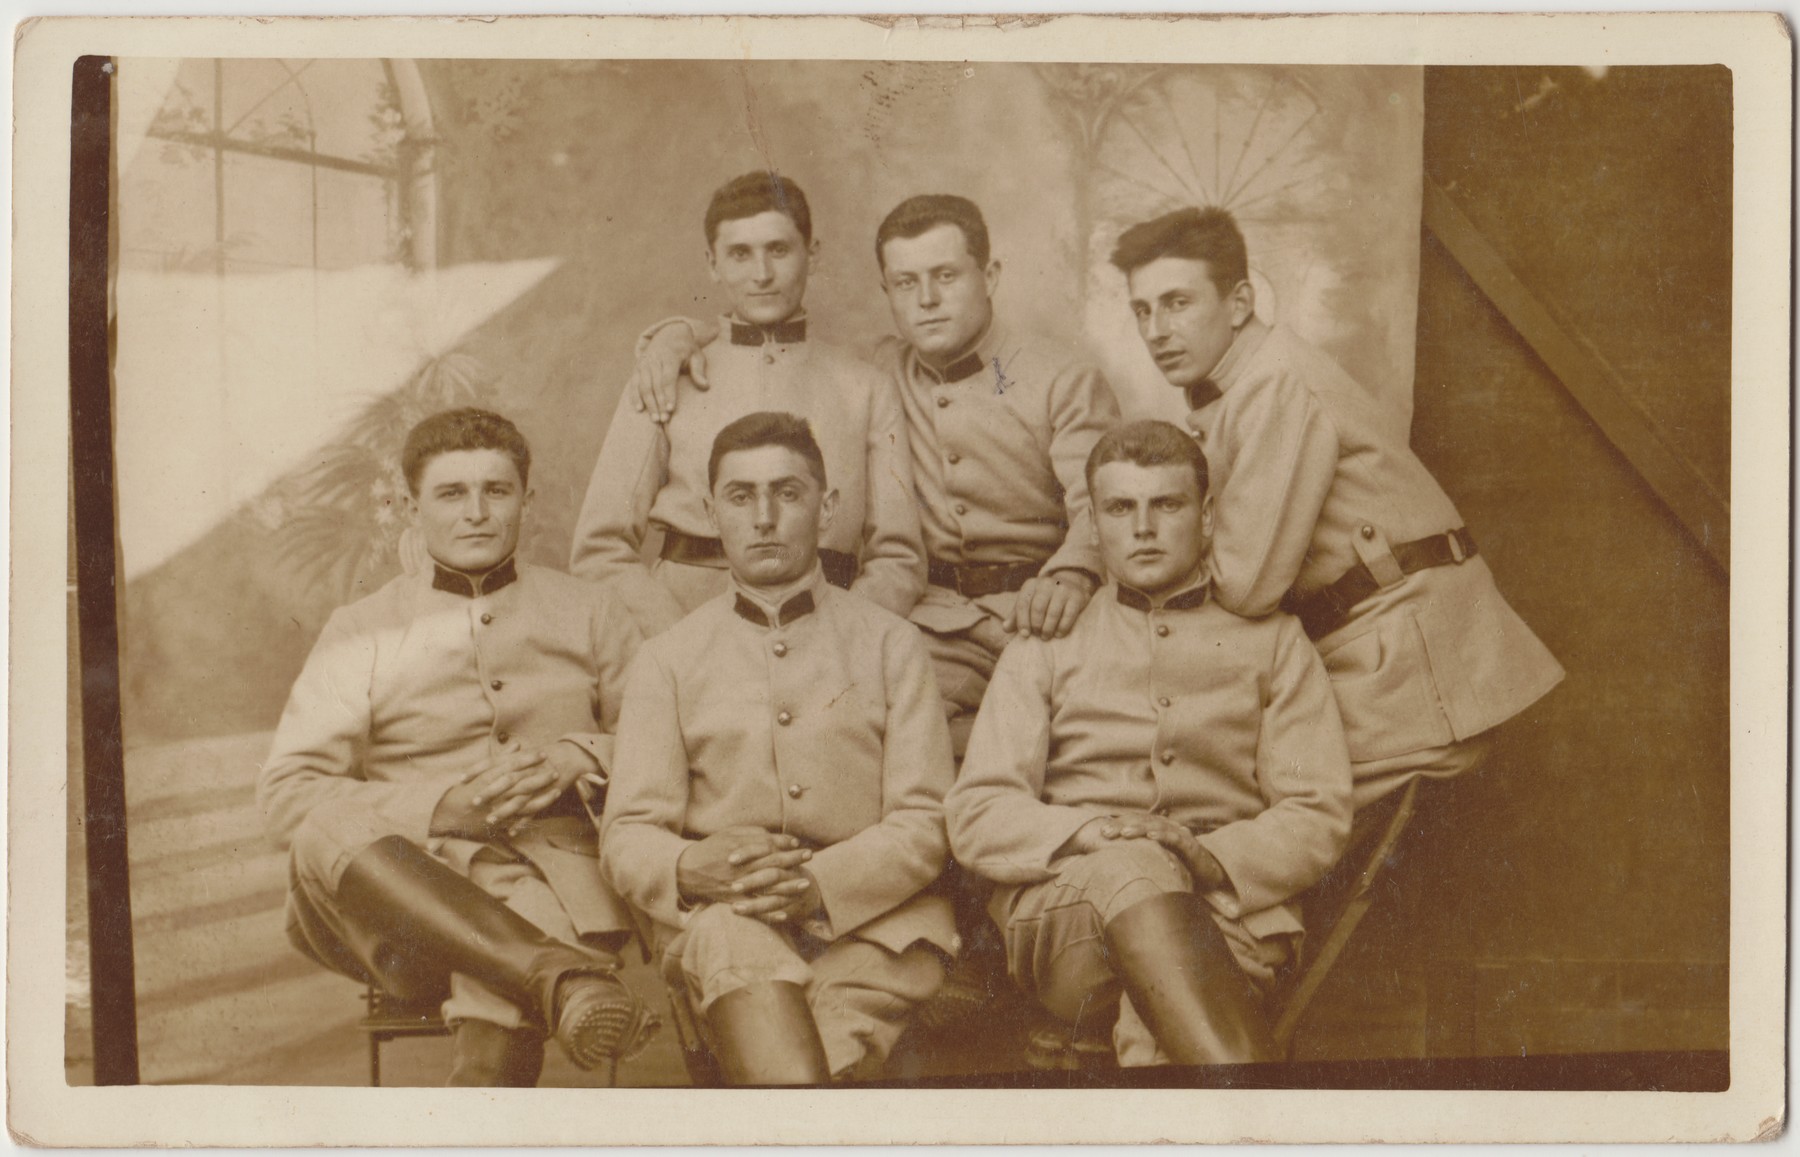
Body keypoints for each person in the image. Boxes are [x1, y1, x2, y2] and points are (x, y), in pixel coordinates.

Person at [1111, 207, 1564, 808]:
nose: (1156, 330)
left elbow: (1244, 586)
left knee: (1229, 798)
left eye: (1177, 303)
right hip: (1383, 658)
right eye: (1142, 310)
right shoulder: (1246, 387)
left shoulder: (1276, 384)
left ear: (1239, 302)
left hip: (1410, 673)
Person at [259, 408, 658, 1086]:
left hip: (558, 886)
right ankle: (561, 978)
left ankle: (551, 984)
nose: (476, 512)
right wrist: (443, 807)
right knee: (324, 824)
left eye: (496, 490)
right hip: (406, 915)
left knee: (514, 931)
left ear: (527, 500)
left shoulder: (593, 611)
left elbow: (665, 748)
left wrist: (581, 756)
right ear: (412, 506)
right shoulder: (361, 629)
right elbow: (285, 796)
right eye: (451, 493)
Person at [946, 420, 1352, 1067]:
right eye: (1119, 508)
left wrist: (1207, 856)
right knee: (1135, 867)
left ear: (1207, 515)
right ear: (1094, 522)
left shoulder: (1275, 641)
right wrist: (1097, 833)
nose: (1143, 528)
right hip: (1073, 922)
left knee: (1163, 1029)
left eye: (1166, 504)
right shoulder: (1047, 641)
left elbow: (1317, 812)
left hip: (1230, 910)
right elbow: (978, 811)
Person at [625, 194, 1121, 723]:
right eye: (906, 283)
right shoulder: (874, 369)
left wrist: (1073, 575)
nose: (927, 300)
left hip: (1041, 610)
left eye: (946, 276)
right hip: (934, 622)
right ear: (887, 291)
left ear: (990, 275)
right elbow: (771, 344)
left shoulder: (1062, 379)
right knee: (854, 715)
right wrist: (677, 335)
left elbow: (1105, 501)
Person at [600, 411, 957, 1084]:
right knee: (749, 983)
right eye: (741, 496)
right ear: (711, 513)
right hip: (729, 920)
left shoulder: (891, 644)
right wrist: (689, 865)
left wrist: (817, 885)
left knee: (816, 1067)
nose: (764, 518)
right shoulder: (667, 659)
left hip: (875, 929)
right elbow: (628, 834)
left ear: (827, 509)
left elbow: (926, 820)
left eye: (787, 493)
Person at [569, 171, 925, 638]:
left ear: (812, 254)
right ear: (712, 263)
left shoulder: (866, 387)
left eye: (778, 250)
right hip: (687, 622)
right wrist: (679, 640)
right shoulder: (666, 374)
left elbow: (898, 557)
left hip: (826, 626)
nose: (761, 274)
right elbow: (600, 549)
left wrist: (841, 637)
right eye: (740, 254)